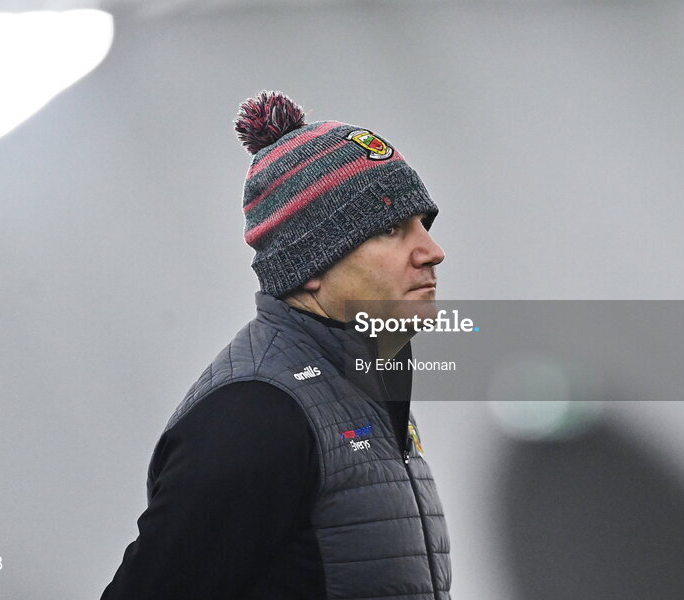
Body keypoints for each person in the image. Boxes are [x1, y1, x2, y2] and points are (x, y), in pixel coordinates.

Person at [100, 91, 452, 599]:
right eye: (393, 229)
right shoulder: (256, 415)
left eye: (424, 224)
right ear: (309, 266)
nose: (432, 252)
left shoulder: (364, 386)